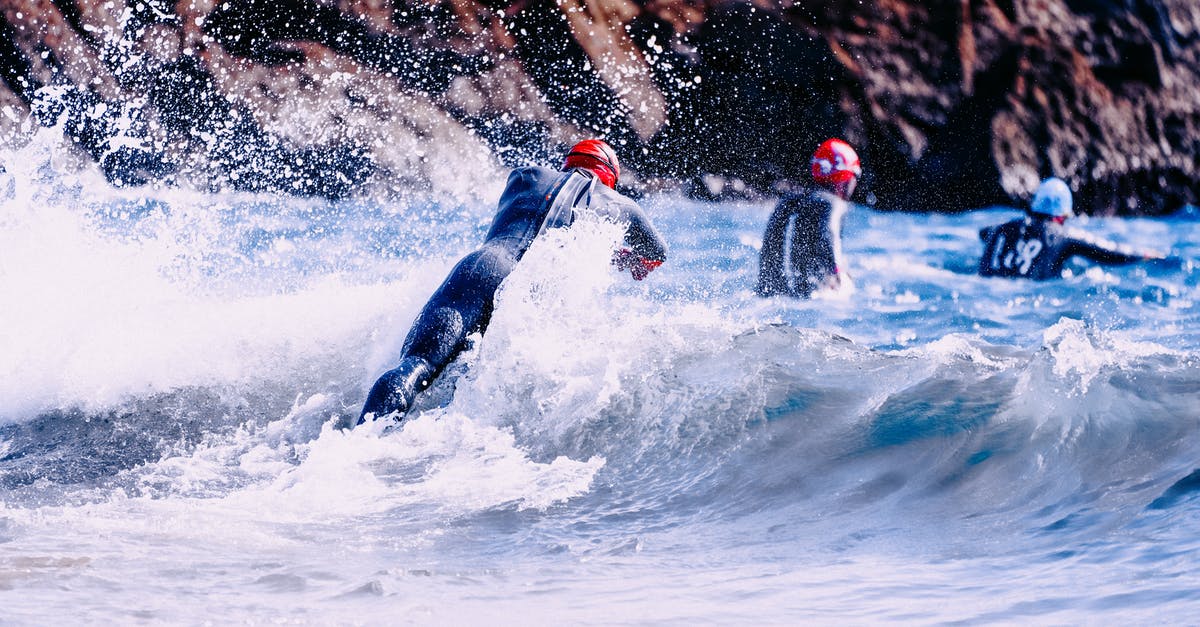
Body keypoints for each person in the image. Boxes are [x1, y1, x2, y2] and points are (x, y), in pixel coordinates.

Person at [359, 139, 668, 424]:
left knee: (418, 365)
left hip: (481, 267)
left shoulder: (524, 175)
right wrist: (622, 259)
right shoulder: (622, 207)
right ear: (610, 179)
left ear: (568, 164)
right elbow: (657, 254)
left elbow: (533, 218)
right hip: (525, 298)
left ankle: (359, 443)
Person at [978, 177, 1165, 280]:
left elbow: (982, 234)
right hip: (1031, 293)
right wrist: (1145, 254)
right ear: (1062, 215)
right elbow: (1109, 252)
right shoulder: (1063, 235)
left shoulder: (998, 229)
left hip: (986, 286)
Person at [756, 138, 860, 298]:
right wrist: (837, 271)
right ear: (844, 179)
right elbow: (829, 232)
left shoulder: (788, 200)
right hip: (808, 298)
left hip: (768, 295)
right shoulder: (833, 204)